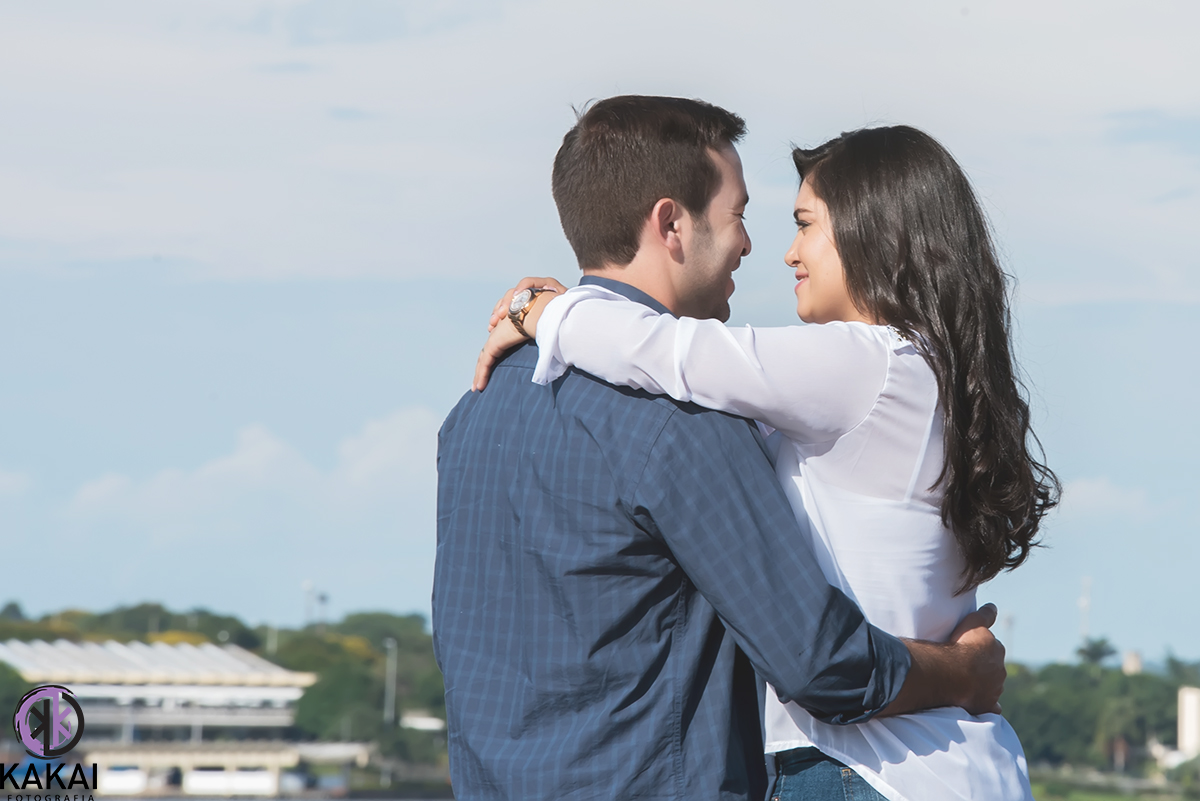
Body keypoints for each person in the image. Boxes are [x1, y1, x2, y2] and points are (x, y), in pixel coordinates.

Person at [436, 97, 1007, 801]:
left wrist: (540, 307)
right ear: (671, 223)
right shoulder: (683, 418)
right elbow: (818, 660)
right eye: (740, 215)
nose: (752, 245)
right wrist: (964, 671)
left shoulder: (478, 405)